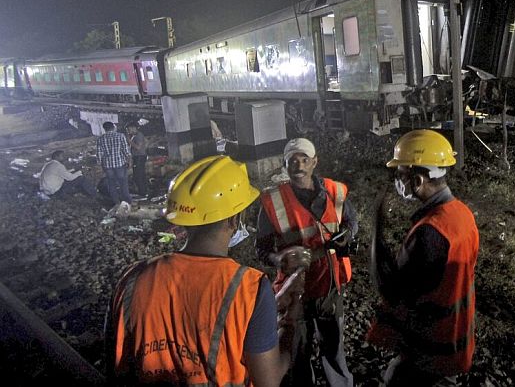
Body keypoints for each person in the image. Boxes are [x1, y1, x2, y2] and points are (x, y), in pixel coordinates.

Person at [105, 155, 305, 386]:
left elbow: (115, 364)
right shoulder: (249, 288)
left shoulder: (131, 279)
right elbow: (268, 380)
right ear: (235, 219)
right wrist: (291, 322)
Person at [368, 129, 480, 386]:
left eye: (401, 175)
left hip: (431, 345)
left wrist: (377, 228)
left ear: (418, 180)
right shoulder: (461, 214)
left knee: (395, 378)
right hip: (456, 334)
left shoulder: (430, 233)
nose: (398, 181)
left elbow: (392, 290)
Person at [255, 137, 357, 387]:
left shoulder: (336, 192)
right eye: (292, 161)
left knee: (333, 349)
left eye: (304, 159)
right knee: (297, 353)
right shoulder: (272, 201)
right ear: (285, 165)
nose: (298, 165)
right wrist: (279, 258)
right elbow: (262, 248)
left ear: (314, 163)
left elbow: (351, 223)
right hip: (294, 290)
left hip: (329, 285)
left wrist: (347, 237)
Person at [97, 121, 133, 207]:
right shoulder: (120, 136)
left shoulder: (100, 138)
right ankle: (127, 202)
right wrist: (129, 161)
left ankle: (116, 202)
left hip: (108, 166)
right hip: (120, 164)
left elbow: (99, 154)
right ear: (113, 127)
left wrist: (101, 165)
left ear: (104, 129)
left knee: (111, 184)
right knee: (123, 183)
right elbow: (126, 151)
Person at [126, 122, 148, 197]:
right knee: (138, 175)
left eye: (128, 129)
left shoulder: (139, 135)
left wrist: (130, 142)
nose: (128, 131)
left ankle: (143, 193)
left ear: (133, 128)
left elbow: (138, 147)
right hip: (137, 157)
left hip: (140, 157)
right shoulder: (134, 136)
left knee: (139, 175)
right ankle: (142, 191)